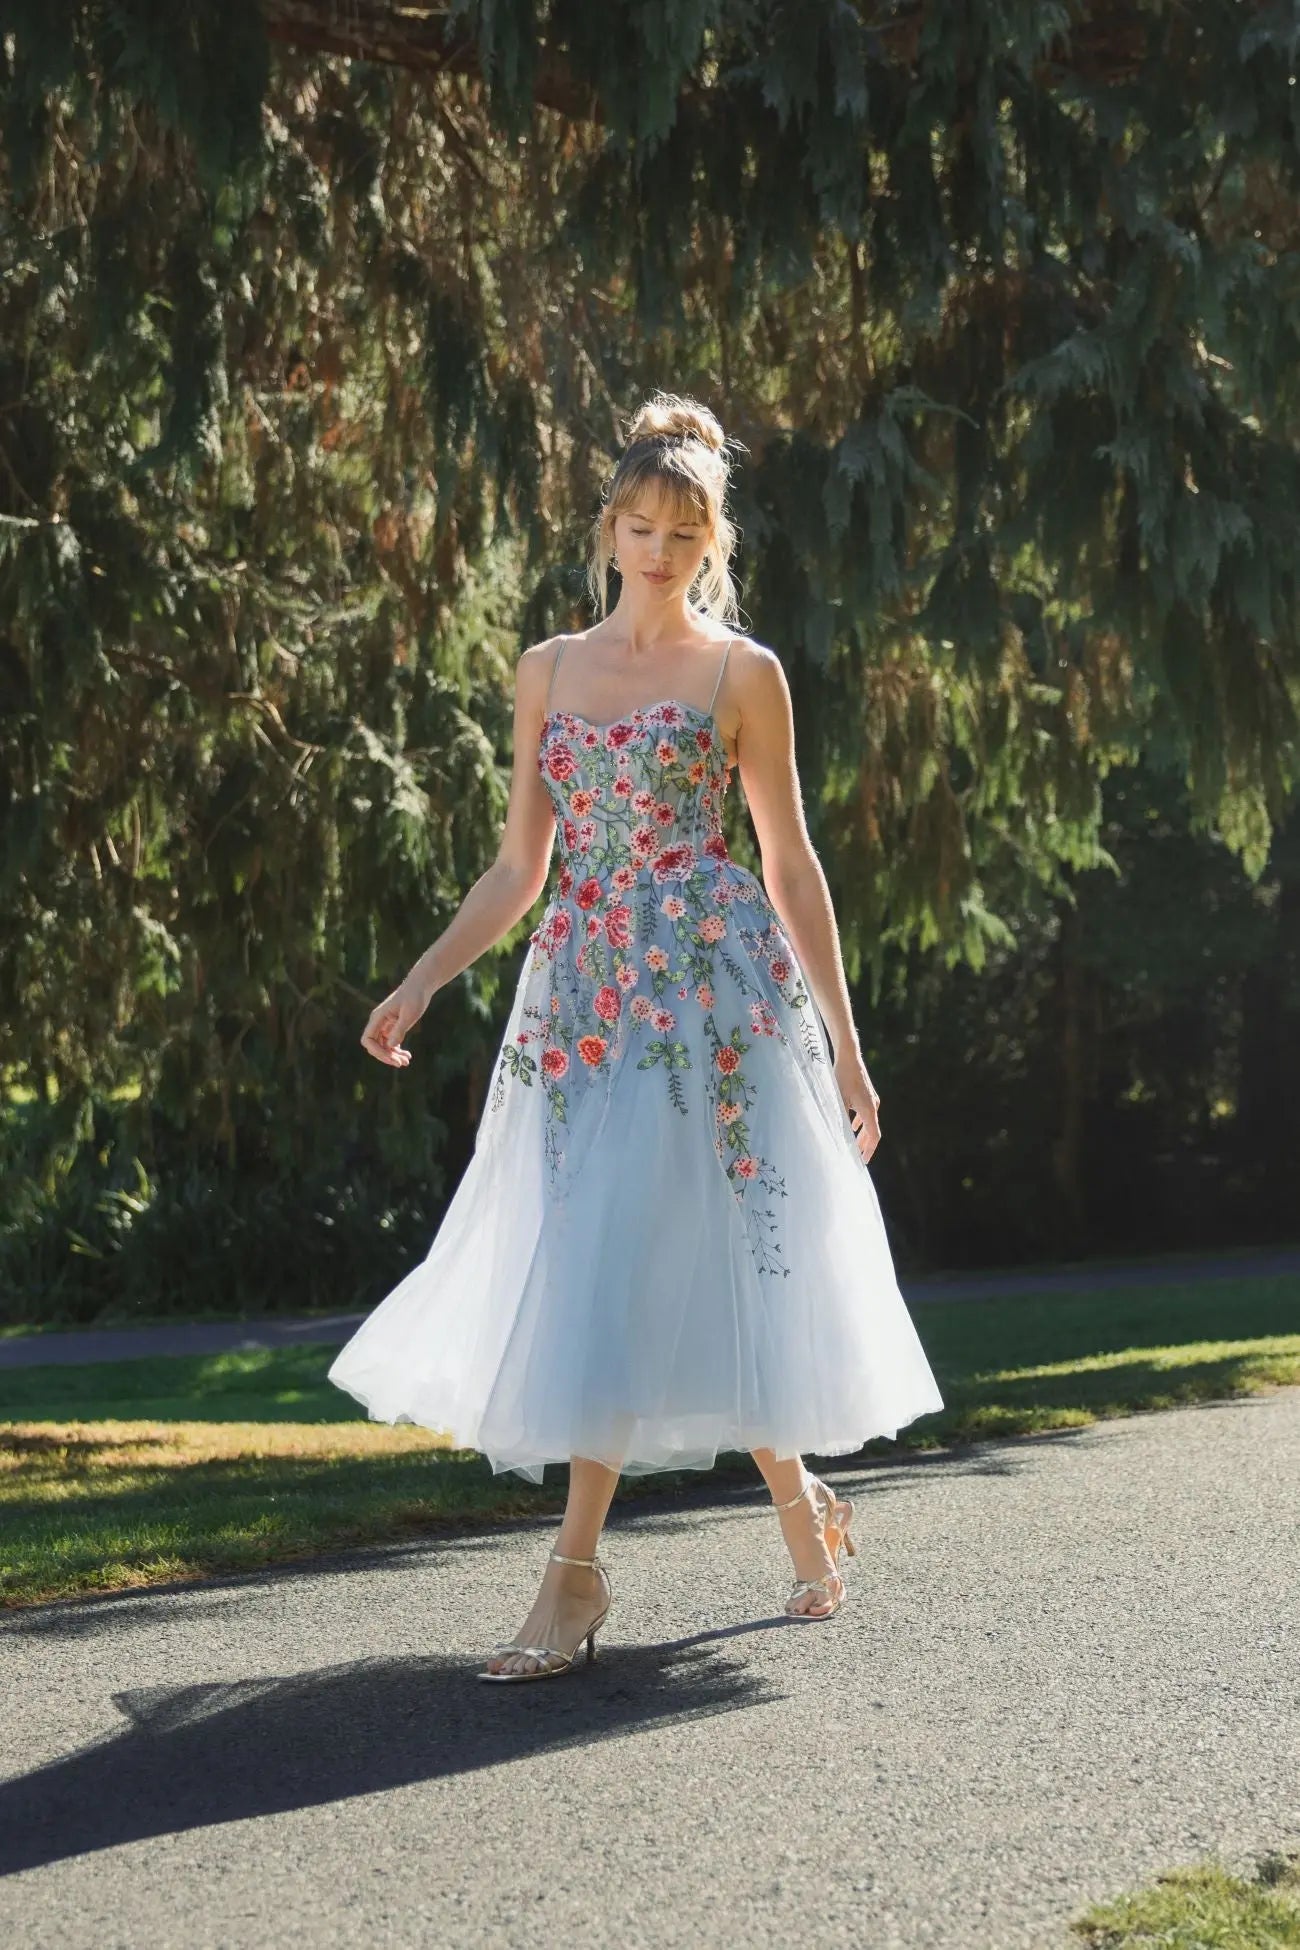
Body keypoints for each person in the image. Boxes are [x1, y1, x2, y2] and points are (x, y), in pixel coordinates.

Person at [328, 390, 944, 1682]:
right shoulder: (548, 670)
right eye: (638, 525)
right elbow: (518, 868)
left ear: (712, 540)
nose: (657, 550)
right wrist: (424, 979)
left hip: (715, 1005)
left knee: (663, 1252)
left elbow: (789, 864)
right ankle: (801, 1512)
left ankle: (573, 1577)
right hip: (584, 1001)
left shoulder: (743, 674)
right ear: (607, 525)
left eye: (683, 531)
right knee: (631, 1256)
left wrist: (846, 1043)